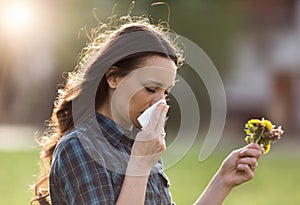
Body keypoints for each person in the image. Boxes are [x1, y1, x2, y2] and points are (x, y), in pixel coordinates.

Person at [31, 15, 264, 205]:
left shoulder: (139, 144)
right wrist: (140, 164)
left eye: (166, 93)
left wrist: (222, 181)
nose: (159, 102)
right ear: (113, 78)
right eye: (151, 88)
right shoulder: (81, 147)